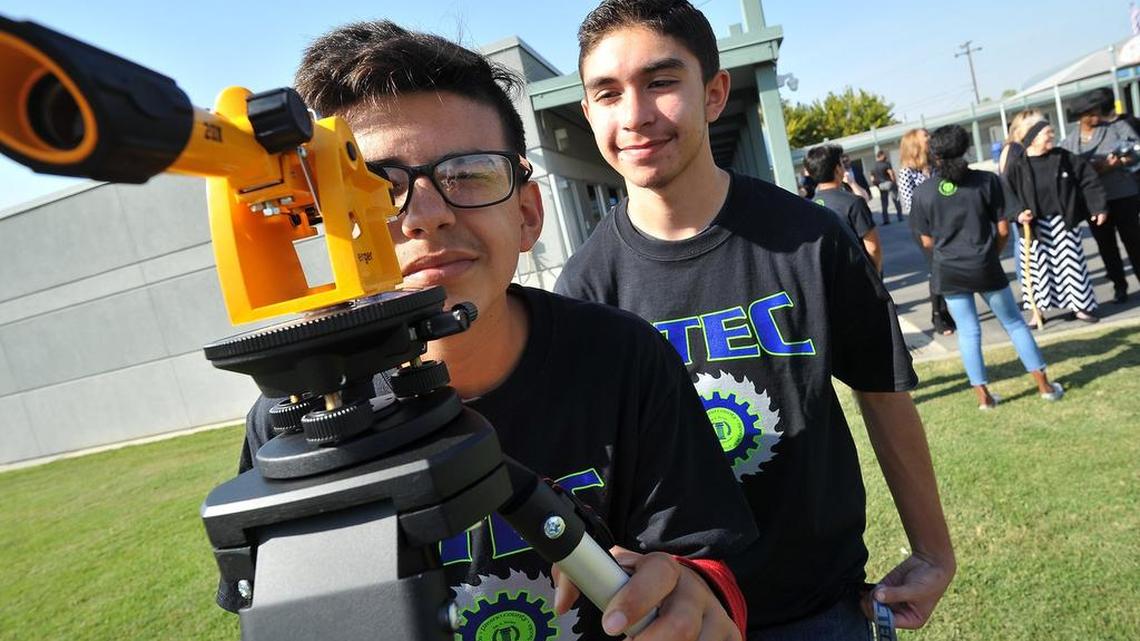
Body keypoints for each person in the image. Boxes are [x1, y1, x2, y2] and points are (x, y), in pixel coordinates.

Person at [215, 20, 760, 641]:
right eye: (374, 188)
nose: (426, 215)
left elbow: (704, 559)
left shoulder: (623, 358)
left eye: (468, 172)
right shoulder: (291, 418)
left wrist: (691, 591)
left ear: (528, 214)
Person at [558, 1, 956, 638]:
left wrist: (934, 551)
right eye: (607, 93)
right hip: (676, 619)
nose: (634, 115)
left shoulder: (810, 240)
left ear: (715, 93)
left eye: (661, 83)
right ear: (588, 112)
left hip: (819, 610)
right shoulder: (582, 288)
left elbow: (883, 394)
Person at [910, 125, 1065, 409]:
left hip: (949, 270)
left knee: (968, 332)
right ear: (966, 149)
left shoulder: (923, 193)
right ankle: (1045, 387)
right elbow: (1004, 229)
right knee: (1015, 324)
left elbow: (926, 240)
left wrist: (946, 258)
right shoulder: (986, 181)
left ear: (934, 154)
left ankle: (984, 399)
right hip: (985, 265)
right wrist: (989, 254)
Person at [1004, 110, 1108, 323]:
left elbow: (1088, 180)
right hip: (1033, 227)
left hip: (1063, 221)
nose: (1051, 137)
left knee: (1072, 265)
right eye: (1046, 134)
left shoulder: (1063, 157)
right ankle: (1037, 312)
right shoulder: (1018, 164)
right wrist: (1017, 214)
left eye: (1051, 133)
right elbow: (1006, 193)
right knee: (1036, 270)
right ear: (1032, 137)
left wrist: (1098, 208)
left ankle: (1080, 307)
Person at [1060, 89, 1140, 304]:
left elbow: (1136, 152)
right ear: (1081, 116)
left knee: (1134, 241)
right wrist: (1100, 168)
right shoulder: (1069, 143)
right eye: (1092, 113)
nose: (1097, 117)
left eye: (1098, 111)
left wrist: (1118, 163)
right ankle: (1119, 286)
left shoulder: (1116, 128)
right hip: (1095, 203)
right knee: (1106, 247)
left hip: (1123, 195)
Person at [899, 128, 955, 336]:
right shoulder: (907, 172)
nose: (930, 139)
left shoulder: (935, 166)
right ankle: (938, 314)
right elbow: (909, 204)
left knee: (946, 267)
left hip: (944, 223)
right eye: (926, 137)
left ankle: (944, 311)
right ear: (915, 142)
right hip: (924, 227)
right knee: (936, 268)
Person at [805, 143, 883, 271]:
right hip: (858, 276)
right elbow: (873, 248)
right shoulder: (853, 203)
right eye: (841, 163)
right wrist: (876, 272)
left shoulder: (809, 207)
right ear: (837, 169)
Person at [871, 149, 903, 224]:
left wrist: (876, 185)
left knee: (884, 203)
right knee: (896, 200)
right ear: (881, 155)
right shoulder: (886, 163)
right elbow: (891, 173)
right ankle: (900, 217)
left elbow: (872, 178)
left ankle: (886, 220)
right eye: (884, 155)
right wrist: (894, 182)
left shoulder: (874, 166)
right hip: (888, 183)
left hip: (881, 185)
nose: (886, 156)